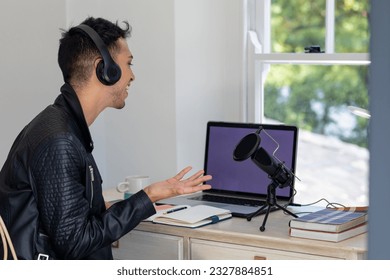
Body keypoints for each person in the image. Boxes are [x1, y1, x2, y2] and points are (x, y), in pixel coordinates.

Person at [0, 17, 212, 260]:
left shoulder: (63, 126)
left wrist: (145, 201)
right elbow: (76, 243)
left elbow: (71, 219)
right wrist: (148, 196)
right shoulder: (59, 140)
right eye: (129, 63)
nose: (132, 76)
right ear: (105, 69)